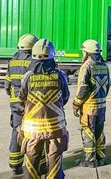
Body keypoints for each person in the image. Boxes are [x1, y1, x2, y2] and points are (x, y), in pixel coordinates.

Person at [19, 39, 69, 178]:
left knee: (31, 160)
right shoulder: (60, 76)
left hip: (32, 129)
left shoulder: (27, 77)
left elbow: (22, 97)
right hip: (55, 128)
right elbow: (65, 97)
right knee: (55, 159)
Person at [72, 39, 110, 168]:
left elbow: (83, 88)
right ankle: (101, 158)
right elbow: (107, 87)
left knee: (88, 132)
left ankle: (89, 160)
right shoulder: (104, 65)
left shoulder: (87, 65)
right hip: (102, 107)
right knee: (99, 133)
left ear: (87, 52)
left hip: (89, 107)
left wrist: (76, 104)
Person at [4, 34, 38, 175]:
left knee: (16, 132)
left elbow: (7, 85)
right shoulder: (32, 62)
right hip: (29, 104)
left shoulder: (12, 62)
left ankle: (15, 165)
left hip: (15, 105)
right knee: (34, 134)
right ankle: (35, 164)